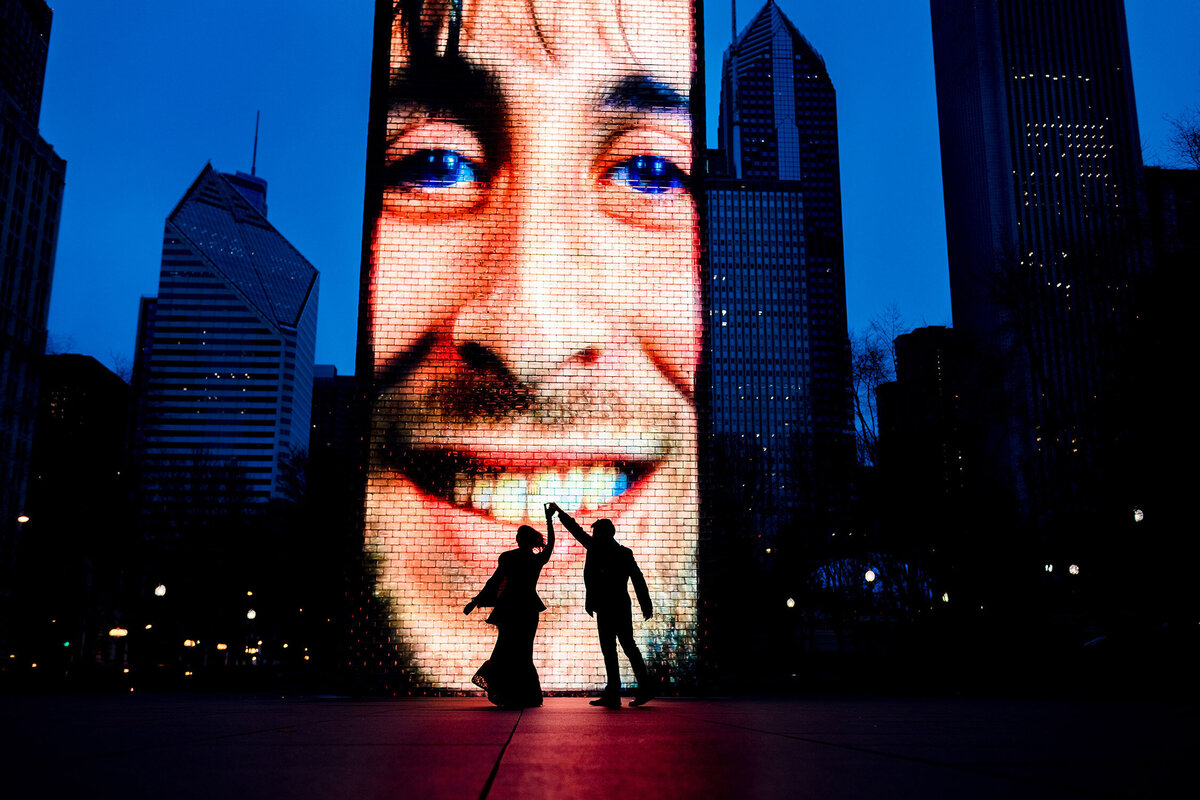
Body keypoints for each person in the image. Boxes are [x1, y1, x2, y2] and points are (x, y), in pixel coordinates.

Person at [363, 0, 700, 689]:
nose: (529, 338)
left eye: (650, 170)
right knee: (590, 655)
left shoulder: (559, 556)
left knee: (604, 654)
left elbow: (573, 554)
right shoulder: (554, 556)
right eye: (434, 161)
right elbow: (564, 550)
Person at [547, 503, 656, 707]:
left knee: (613, 649)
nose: (594, 536)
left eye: (597, 532)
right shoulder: (623, 552)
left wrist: (559, 512)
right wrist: (645, 604)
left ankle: (616, 693)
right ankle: (635, 689)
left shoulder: (598, 548)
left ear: (605, 533)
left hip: (607, 607)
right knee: (625, 647)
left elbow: (576, 531)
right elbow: (638, 579)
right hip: (619, 605)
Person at [463, 505, 556, 707]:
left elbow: (494, 581)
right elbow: (550, 547)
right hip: (529, 609)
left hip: (509, 608)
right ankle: (524, 695)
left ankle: (508, 693)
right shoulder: (535, 559)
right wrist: (549, 520)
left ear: (518, 539)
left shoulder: (508, 557)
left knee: (505, 650)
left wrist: (475, 600)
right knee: (524, 652)